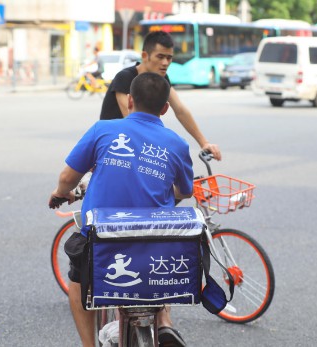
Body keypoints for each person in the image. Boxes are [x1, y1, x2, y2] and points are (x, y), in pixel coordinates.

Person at [49, 72, 193, 347]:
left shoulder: (103, 130)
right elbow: (185, 191)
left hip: (103, 239)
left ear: (129, 101)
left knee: (78, 284)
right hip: (154, 242)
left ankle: (89, 345)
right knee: (158, 267)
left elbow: (68, 177)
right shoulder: (177, 144)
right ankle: (164, 321)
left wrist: (61, 192)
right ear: (165, 108)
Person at [99, 30, 222, 161]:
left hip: (137, 145)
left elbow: (180, 110)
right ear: (145, 56)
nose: (165, 63)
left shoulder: (161, 78)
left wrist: (204, 143)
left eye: (169, 58)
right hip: (114, 148)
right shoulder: (125, 77)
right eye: (160, 57)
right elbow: (132, 120)